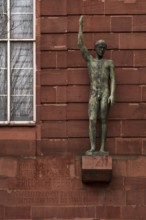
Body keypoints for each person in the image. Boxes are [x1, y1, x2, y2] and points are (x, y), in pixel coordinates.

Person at [78, 15, 116, 155]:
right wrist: (80, 27)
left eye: (103, 48)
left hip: (105, 92)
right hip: (94, 93)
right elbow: (81, 45)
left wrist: (112, 94)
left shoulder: (109, 63)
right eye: (99, 47)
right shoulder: (90, 61)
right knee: (93, 119)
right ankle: (93, 147)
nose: (101, 50)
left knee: (104, 119)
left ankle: (102, 148)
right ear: (95, 49)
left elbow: (113, 79)